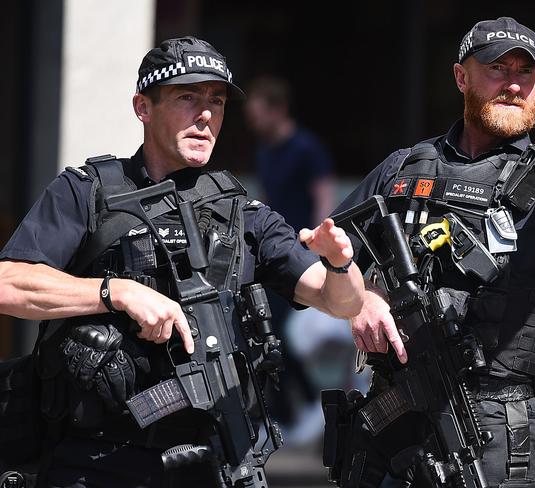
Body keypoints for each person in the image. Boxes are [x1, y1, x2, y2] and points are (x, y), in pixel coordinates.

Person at [0, 36, 364, 488]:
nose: (206, 115)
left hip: (213, 463)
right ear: (143, 107)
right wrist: (117, 293)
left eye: (217, 101)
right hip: (95, 461)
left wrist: (340, 265)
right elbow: (8, 284)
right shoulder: (87, 192)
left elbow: (340, 303)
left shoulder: (244, 214)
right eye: (187, 97)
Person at [329, 17, 535, 488]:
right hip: (394, 419)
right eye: (498, 68)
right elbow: (324, 255)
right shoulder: (405, 167)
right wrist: (362, 299)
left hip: (497, 433)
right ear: (461, 77)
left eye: (527, 73)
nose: (514, 84)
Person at [244, 74, 337, 443]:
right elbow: (266, 199)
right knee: (264, 334)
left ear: (277, 109)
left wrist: (321, 248)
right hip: (271, 256)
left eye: (257, 112)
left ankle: (311, 400)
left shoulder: (306, 148)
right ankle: (281, 411)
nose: (253, 122)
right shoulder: (264, 152)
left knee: (282, 335)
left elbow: (324, 196)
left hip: (301, 256)